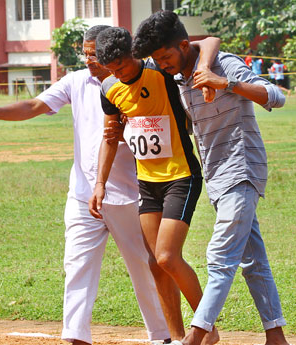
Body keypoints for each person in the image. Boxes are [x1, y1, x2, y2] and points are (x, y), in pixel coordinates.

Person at [0, 25, 171, 345]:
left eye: (95, 53)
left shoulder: (135, 82)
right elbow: (35, 105)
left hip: (129, 194)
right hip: (83, 193)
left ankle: (161, 335)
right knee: (76, 264)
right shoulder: (76, 81)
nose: (89, 59)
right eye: (86, 53)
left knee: (143, 265)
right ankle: (75, 336)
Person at [132, 10, 291, 345]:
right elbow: (204, 46)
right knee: (252, 260)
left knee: (219, 258)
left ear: (184, 45)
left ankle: (197, 336)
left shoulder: (224, 65)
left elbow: (277, 96)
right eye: (157, 60)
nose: (162, 64)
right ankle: (276, 336)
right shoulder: (178, 77)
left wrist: (226, 83)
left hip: (242, 168)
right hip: (216, 175)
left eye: (166, 56)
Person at [89, 27, 220, 345]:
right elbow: (110, 138)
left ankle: (206, 328)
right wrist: (99, 184)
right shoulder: (109, 88)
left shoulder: (159, 70)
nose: (118, 74)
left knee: (166, 256)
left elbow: (207, 40)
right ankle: (175, 337)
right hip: (147, 182)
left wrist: (202, 67)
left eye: (122, 66)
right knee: (155, 261)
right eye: (111, 70)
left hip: (180, 175)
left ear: (134, 53)